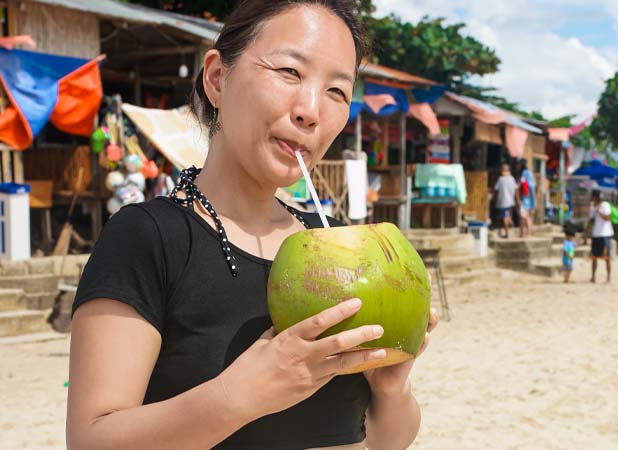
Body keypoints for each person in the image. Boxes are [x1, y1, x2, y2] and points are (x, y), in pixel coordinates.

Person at [67, 2, 438, 450]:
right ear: (218, 78)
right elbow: (91, 440)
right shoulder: (148, 237)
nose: (310, 110)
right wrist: (238, 397)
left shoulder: (340, 247)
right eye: (288, 71)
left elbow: (384, 441)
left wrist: (390, 386)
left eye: (337, 91)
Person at [588, 190, 614, 283]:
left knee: (607, 258)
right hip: (596, 234)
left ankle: (608, 277)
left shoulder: (605, 205)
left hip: (605, 234)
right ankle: (593, 277)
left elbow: (607, 218)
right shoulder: (592, 208)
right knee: (594, 257)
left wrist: (599, 211)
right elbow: (591, 221)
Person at [493, 163, 517, 238]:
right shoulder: (512, 179)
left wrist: (494, 199)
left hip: (503, 202)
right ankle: (510, 222)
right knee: (507, 215)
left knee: (505, 217)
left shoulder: (501, 179)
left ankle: (506, 233)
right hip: (510, 202)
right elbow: (516, 190)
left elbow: (496, 190)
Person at [516, 159, 536, 238]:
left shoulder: (524, 173)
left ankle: (524, 233)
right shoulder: (529, 173)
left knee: (524, 216)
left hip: (525, 198)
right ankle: (527, 233)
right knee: (526, 215)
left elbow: (523, 185)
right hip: (529, 197)